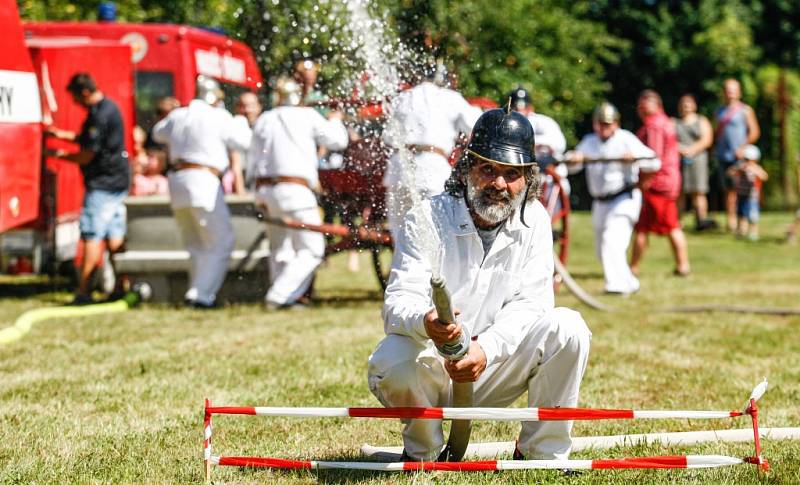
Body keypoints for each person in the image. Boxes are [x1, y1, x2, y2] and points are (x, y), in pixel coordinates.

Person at [368, 108, 591, 462]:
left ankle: (543, 453)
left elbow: (532, 305)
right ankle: (422, 454)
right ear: (467, 167)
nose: (499, 184)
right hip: (433, 375)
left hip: (494, 369)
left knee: (568, 327)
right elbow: (398, 301)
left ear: (528, 179)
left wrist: (484, 350)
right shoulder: (426, 217)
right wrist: (426, 323)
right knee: (393, 357)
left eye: (511, 174)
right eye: (488, 168)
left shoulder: (535, 221)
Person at [248, 76, 348, 309]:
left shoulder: (265, 118)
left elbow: (253, 157)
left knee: (280, 247)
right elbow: (339, 140)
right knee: (313, 249)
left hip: (265, 189)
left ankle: (285, 297)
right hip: (294, 190)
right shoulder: (306, 115)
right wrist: (335, 120)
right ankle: (280, 295)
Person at [151, 76, 252, 308]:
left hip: (177, 181)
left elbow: (158, 133)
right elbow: (244, 141)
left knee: (197, 244)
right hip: (203, 180)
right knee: (221, 242)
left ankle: (196, 291)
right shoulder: (218, 116)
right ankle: (201, 296)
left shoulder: (178, 115)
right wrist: (240, 121)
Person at [44, 73, 130, 305]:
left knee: (92, 235)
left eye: (74, 98)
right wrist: (61, 135)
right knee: (114, 237)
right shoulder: (107, 109)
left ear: (84, 93)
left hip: (102, 184)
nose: (74, 103)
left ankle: (84, 291)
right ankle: (122, 287)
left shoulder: (100, 115)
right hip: (118, 182)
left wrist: (58, 154)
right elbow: (89, 141)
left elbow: (87, 154)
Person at [566, 102, 660, 294]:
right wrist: (574, 158)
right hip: (600, 202)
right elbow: (571, 164)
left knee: (612, 241)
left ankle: (616, 287)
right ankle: (630, 282)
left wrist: (634, 157)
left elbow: (654, 162)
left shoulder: (626, 139)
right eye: (600, 123)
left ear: (616, 124)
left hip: (623, 199)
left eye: (608, 124)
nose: (604, 128)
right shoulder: (590, 142)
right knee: (602, 250)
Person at [382, 63, 482, 237]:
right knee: (437, 232)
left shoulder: (402, 98)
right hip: (432, 168)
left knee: (400, 235)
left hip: (399, 168)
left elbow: (387, 137)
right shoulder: (450, 98)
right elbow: (478, 125)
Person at [631, 90, 691, 277]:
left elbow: (653, 159)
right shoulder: (664, 122)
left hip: (658, 184)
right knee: (644, 227)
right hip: (664, 182)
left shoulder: (654, 126)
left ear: (656, 105)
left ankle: (683, 265)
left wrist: (644, 182)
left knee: (670, 225)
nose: (640, 110)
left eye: (644, 106)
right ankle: (633, 267)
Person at [714, 78, 760, 231]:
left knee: (741, 190)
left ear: (739, 92)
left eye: (733, 90)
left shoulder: (745, 110)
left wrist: (742, 148)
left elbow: (754, 132)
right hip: (723, 155)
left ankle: (743, 221)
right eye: (728, 90)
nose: (730, 93)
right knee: (728, 190)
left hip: (740, 157)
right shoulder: (718, 111)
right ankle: (731, 221)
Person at [506, 86, 570, 194]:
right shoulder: (507, 125)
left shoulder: (543, 122)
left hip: (550, 180)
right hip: (523, 180)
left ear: (530, 108)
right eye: (515, 108)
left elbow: (560, 143)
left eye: (522, 108)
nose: (519, 112)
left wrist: (532, 143)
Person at [674, 93, 715, 231]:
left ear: (694, 105)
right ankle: (678, 222)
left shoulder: (702, 121)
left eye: (688, 103)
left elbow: (707, 139)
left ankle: (701, 221)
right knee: (679, 193)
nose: (686, 106)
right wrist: (681, 149)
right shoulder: (674, 122)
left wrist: (691, 150)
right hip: (679, 160)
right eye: (683, 103)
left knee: (699, 192)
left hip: (698, 160)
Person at [727, 145, 768, 240]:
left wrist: (755, 170)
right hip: (741, 195)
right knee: (741, 214)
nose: (748, 162)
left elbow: (764, 176)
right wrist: (738, 169)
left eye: (750, 160)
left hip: (752, 197)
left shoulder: (756, 168)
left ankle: (753, 233)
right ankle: (741, 231)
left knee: (753, 216)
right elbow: (729, 173)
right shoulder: (740, 166)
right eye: (746, 159)